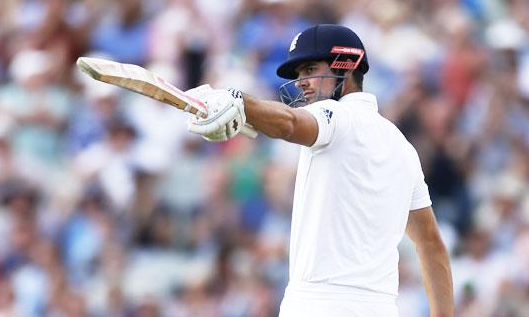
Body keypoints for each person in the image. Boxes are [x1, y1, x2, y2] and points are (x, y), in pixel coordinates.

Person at [187, 24, 454, 317]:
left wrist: (239, 100)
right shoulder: (403, 148)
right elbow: (431, 244)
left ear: (346, 68)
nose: (301, 82)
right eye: (299, 74)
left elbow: (289, 123)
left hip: (318, 304)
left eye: (310, 69)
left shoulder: (336, 117)